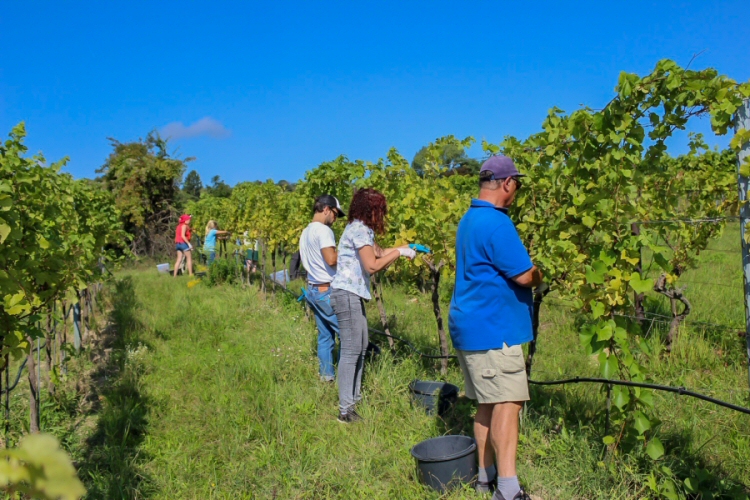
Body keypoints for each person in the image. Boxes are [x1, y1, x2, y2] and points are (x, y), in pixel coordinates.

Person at [448, 156, 542, 500]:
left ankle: (485, 479)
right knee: (508, 403)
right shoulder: (497, 223)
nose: (517, 189)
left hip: (471, 325)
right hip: (493, 330)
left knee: (487, 405)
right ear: (506, 183)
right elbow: (524, 275)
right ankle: (508, 490)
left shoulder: (470, 218)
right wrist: (541, 275)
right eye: (517, 183)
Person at [330, 188, 416, 423]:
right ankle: (345, 410)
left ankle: (352, 403)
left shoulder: (361, 230)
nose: (383, 215)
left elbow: (379, 252)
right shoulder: (359, 229)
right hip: (346, 293)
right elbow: (372, 266)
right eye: (381, 210)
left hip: (352, 294)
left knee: (361, 346)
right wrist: (399, 253)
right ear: (372, 210)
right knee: (351, 350)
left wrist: (406, 247)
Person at [299, 194, 346, 382]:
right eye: (335, 214)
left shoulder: (305, 232)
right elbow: (331, 259)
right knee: (348, 336)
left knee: (325, 337)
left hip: (313, 289)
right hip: (326, 291)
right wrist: (350, 250)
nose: (335, 219)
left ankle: (326, 377)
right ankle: (346, 381)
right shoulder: (324, 231)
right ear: (326, 209)